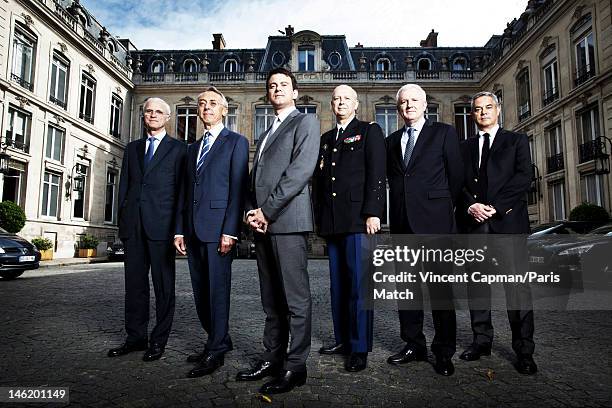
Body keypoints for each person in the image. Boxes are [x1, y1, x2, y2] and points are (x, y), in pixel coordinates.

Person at [236, 68, 320, 394]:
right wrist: (250, 212)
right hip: (263, 225)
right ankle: (272, 357)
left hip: (287, 222)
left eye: (284, 84)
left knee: (296, 299)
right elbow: (256, 177)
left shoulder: (305, 123)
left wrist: (267, 211)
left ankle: (295, 366)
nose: (277, 89)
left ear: (295, 92)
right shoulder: (267, 129)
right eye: (272, 85)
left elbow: (300, 172)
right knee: (271, 299)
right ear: (267, 94)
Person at [385, 84, 463, 376]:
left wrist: (439, 210)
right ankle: (413, 345)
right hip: (403, 226)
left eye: (414, 100)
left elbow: (456, 178)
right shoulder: (391, 141)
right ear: (398, 109)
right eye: (403, 102)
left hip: (435, 225)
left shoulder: (443, 133)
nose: (408, 106)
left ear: (425, 104)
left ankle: (443, 352)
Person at [457, 91, 537, 375]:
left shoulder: (516, 140)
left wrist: (496, 207)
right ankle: (481, 342)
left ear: (498, 110)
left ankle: (524, 351)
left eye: (488, 107)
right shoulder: (463, 147)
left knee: (517, 289)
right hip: (474, 225)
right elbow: (458, 184)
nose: (483, 113)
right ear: (472, 114)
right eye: (477, 109)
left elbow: (523, 177)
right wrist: (471, 206)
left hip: (508, 225)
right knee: (477, 288)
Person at [174, 87, 249, 378]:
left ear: (224, 110)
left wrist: (231, 231)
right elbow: (185, 191)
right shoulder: (192, 148)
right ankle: (219, 338)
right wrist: (179, 230)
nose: (206, 107)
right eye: (202, 104)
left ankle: (216, 349)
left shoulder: (236, 142)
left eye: (212, 104)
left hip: (219, 230)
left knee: (217, 291)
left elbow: (238, 188)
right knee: (200, 292)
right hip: (192, 229)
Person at [313, 84, 386, 372]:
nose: (340, 103)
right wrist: (319, 218)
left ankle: (358, 347)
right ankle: (342, 339)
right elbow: (320, 183)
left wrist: (373, 212)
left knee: (359, 286)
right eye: (336, 99)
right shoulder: (326, 138)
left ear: (356, 104)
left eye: (346, 99)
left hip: (359, 220)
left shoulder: (369, 131)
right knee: (338, 287)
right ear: (331, 104)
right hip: (333, 222)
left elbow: (377, 174)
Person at [108, 97, 187, 362]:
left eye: (158, 112)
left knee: (164, 288)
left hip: (162, 229)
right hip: (134, 228)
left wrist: (179, 230)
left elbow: (181, 195)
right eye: (148, 111)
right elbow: (125, 188)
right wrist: (123, 222)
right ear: (143, 116)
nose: (152, 115)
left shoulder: (179, 150)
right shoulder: (132, 148)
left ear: (167, 117)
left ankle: (159, 340)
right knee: (134, 287)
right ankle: (135, 338)